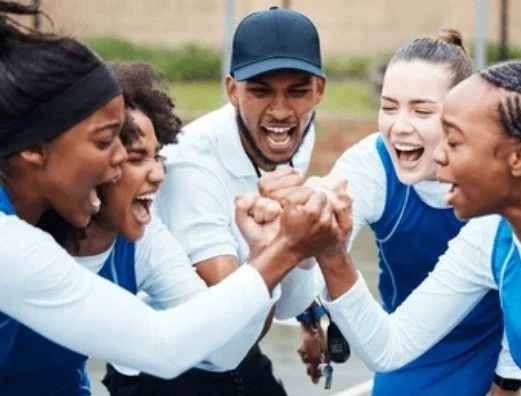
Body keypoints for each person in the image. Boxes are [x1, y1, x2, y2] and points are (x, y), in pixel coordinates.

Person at [0, 3, 339, 393]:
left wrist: (266, 255)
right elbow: (163, 345)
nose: (157, 171)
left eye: (154, 153)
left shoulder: (143, 240)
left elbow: (221, 352)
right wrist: (283, 251)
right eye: (107, 142)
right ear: (35, 148)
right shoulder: (11, 243)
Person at [308, 60, 521, 395]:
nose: (438, 155)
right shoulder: (489, 238)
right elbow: (390, 346)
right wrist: (332, 253)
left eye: (454, 142)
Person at [311, 30, 521, 395]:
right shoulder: (369, 165)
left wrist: (507, 382)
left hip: (519, 344)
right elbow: (318, 252)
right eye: (388, 107)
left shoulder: (502, 173)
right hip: (417, 348)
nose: (400, 125)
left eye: (422, 111)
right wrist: (313, 313)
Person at [122, 6, 328, 395]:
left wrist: (310, 309)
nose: (281, 110)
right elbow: (225, 327)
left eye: (298, 91)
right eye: (260, 90)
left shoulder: (292, 136)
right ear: (233, 90)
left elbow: (280, 303)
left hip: (238, 351)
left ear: (319, 90)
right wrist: (284, 246)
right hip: (163, 368)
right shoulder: (189, 168)